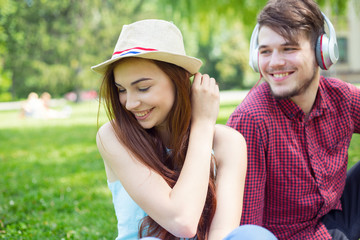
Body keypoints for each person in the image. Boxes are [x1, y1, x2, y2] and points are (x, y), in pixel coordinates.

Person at [92, 19, 277, 240]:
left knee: (253, 236)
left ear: (177, 81)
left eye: (143, 88)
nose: (130, 103)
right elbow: (182, 221)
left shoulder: (228, 143)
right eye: (121, 90)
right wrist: (203, 123)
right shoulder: (113, 137)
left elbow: (221, 235)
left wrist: (202, 127)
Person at [227, 0, 360, 239]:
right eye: (265, 51)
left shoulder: (343, 98)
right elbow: (246, 230)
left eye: (288, 49)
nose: (274, 62)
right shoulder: (251, 121)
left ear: (322, 52)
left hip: (336, 218)